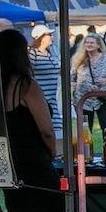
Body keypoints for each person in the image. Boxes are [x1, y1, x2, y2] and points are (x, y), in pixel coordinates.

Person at [0, 29, 66, 212]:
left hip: (8, 161)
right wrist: (52, 153)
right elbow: (46, 130)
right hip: (34, 160)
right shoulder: (27, 86)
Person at [70, 34, 106, 140]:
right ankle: (86, 154)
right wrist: (74, 90)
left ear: (98, 45)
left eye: (91, 43)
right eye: (87, 42)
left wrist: (105, 80)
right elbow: (72, 78)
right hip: (83, 99)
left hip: (103, 98)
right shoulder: (78, 59)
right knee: (85, 128)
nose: (89, 45)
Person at [28, 24, 62, 155]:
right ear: (41, 37)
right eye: (49, 34)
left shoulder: (50, 53)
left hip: (52, 99)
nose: (51, 37)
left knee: (57, 130)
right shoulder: (32, 53)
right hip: (40, 100)